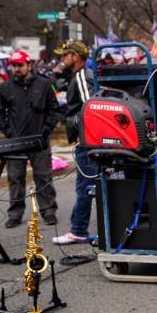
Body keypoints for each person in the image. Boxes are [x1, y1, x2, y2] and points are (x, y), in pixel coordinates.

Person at [0, 50, 60, 228]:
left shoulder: (44, 85)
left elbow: (54, 111)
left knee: (44, 177)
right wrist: (9, 132)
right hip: (15, 143)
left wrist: (45, 131)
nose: (17, 69)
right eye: (14, 66)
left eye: (20, 65)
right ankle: (15, 213)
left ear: (29, 65)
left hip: (39, 142)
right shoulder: (5, 88)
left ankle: (49, 211)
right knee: (15, 178)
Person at [52, 41, 99, 245]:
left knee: (86, 188)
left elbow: (92, 108)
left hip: (88, 143)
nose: (63, 58)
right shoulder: (79, 76)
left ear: (76, 56)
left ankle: (79, 230)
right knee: (89, 187)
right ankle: (80, 229)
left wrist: (83, 135)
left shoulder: (82, 76)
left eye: (65, 55)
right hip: (89, 142)